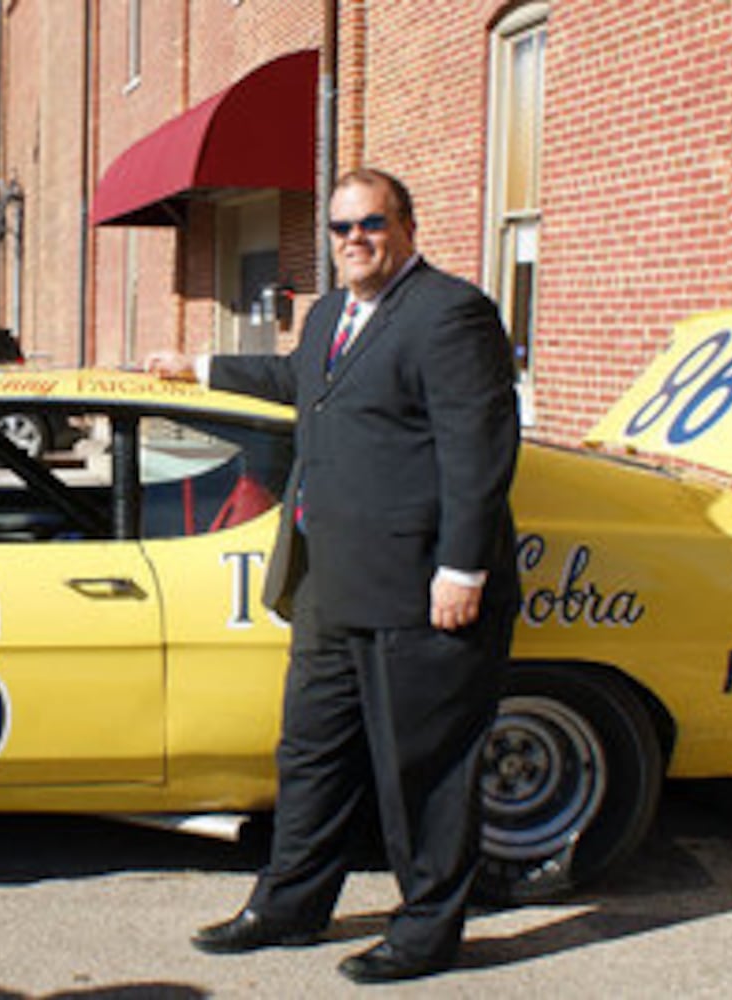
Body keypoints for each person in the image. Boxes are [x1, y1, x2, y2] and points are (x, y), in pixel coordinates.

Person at [146, 168, 520, 984]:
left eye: (370, 223)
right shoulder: (329, 315)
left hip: (419, 588)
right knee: (311, 753)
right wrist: (197, 366)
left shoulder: (450, 313)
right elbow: (298, 381)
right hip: (330, 582)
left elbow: (480, 451)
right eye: (341, 227)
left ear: (407, 226)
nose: (354, 240)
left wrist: (463, 569)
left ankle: (426, 932)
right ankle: (290, 905)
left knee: (422, 769)